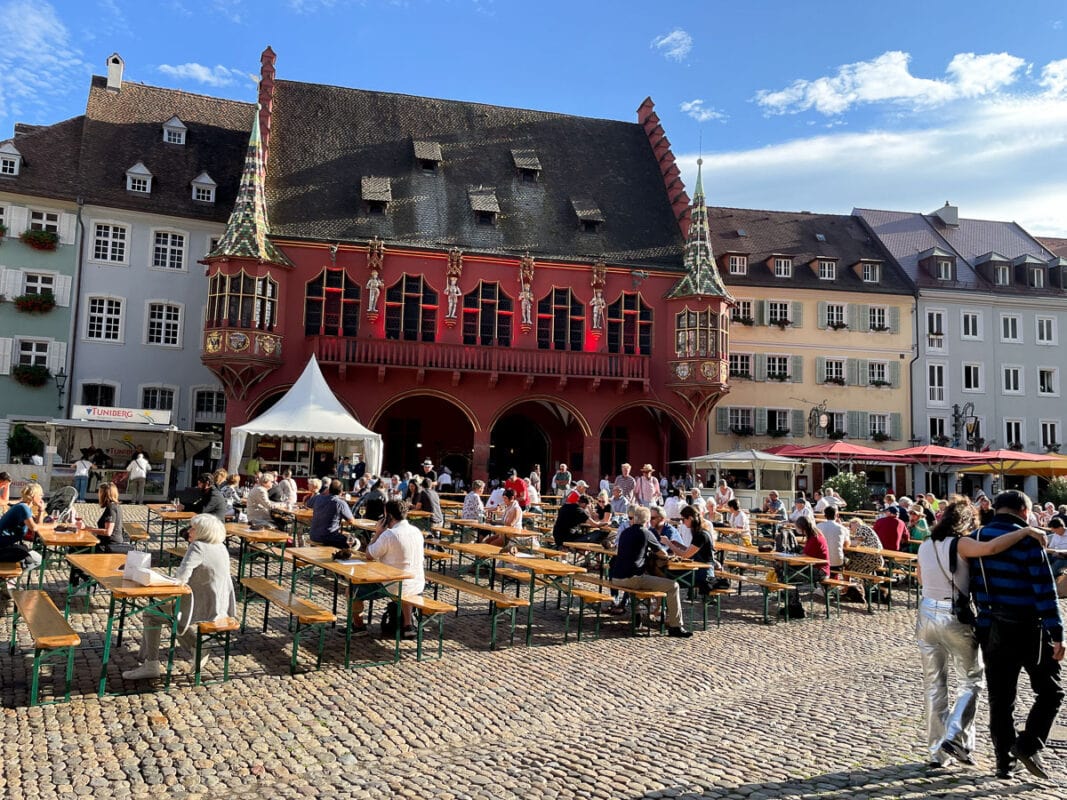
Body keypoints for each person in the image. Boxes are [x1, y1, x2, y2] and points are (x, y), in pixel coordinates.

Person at [916, 497, 1045, 770]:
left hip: (926, 613)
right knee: (972, 680)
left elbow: (920, 578)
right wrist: (1023, 531)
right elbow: (992, 547)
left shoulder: (926, 544)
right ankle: (953, 736)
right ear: (966, 522)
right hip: (953, 615)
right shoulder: (960, 543)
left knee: (934, 685)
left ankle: (938, 752)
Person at [970, 490, 1064, 779]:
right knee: (1051, 692)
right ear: (1024, 512)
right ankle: (1028, 744)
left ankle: (1003, 762)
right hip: (1028, 626)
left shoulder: (974, 539)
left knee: (1001, 698)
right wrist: (1057, 632)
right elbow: (1044, 590)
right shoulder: (1029, 539)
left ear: (996, 509)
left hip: (989, 626)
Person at [122, 514, 237, 680]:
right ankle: (196, 646)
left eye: (193, 528)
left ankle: (151, 664)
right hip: (219, 606)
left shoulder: (198, 547)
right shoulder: (220, 546)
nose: (189, 531)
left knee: (151, 614)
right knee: (166, 612)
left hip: (198, 606)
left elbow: (180, 579)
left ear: (203, 532)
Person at [608, 506, 692, 637]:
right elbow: (663, 553)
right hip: (632, 579)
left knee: (642, 578)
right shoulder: (646, 533)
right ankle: (675, 626)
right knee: (673, 586)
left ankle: (640, 616)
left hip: (616, 577)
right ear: (646, 521)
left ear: (634, 519)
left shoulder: (625, 532)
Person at [354, 499, 426, 638]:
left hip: (393, 586)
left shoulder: (389, 534)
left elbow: (369, 554)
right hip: (417, 583)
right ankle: (407, 625)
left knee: (352, 590)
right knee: (404, 583)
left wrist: (377, 533)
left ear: (389, 516)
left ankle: (358, 627)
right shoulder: (416, 531)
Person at [0, 483, 45, 611]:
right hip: (2, 546)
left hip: (5, 545)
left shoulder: (24, 507)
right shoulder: (23, 508)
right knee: (32, 558)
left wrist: (41, 511)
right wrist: (53, 526)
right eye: (40, 494)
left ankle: (7, 581)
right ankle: (7, 581)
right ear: (33, 495)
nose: (42, 497)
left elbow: (36, 527)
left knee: (32, 555)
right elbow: (35, 528)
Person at [309, 479, 357, 548]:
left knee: (341, 537)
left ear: (328, 489)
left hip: (313, 535)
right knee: (355, 542)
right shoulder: (340, 502)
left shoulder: (318, 498)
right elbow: (351, 521)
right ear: (341, 491)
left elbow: (308, 504)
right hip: (328, 537)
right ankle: (343, 557)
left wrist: (323, 493)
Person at [817, 506, 850, 575]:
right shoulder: (843, 528)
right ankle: (846, 584)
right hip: (837, 562)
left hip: (821, 561)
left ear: (825, 515)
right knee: (848, 561)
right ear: (837, 515)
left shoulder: (818, 527)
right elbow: (846, 545)